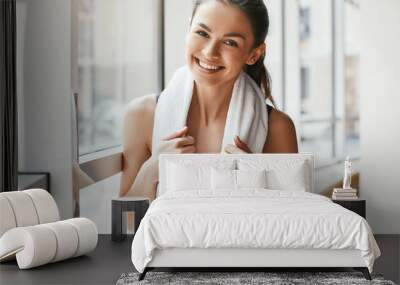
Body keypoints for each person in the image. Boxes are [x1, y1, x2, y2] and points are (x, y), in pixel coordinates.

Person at [120, 0, 298, 200]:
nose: (209, 52)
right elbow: (126, 225)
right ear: (189, 29)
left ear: (254, 54)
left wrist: (255, 183)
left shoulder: (278, 128)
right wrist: (152, 170)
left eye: (230, 42)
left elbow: (294, 223)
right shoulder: (142, 115)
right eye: (202, 33)